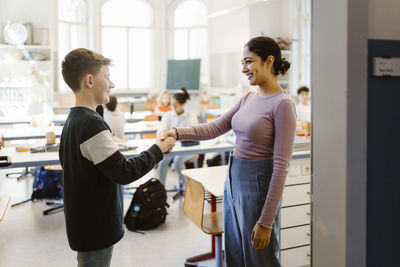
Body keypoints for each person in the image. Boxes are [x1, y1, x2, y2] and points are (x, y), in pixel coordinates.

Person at [161, 36, 297, 267]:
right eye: (242, 63)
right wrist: (176, 132)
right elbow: (215, 127)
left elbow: (281, 166)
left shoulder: (283, 104)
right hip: (233, 182)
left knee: (259, 258)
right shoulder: (247, 98)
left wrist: (266, 221)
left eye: (248, 62)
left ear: (269, 61)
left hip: (258, 186)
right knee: (234, 253)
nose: (244, 69)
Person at [59, 48, 175, 267]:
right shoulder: (90, 124)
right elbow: (124, 171)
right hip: (95, 227)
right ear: (90, 80)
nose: (112, 84)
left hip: (84, 222)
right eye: (108, 77)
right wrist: (157, 149)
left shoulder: (74, 119)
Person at [157, 88, 197, 199]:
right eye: (173, 105)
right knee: (163, 160)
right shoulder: (168, 115)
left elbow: (194, 132)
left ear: (183, 104)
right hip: (172, 147)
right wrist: (164, 135)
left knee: (178, 161)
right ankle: (161, 189)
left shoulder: (191, 115)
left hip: (187, 148)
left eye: (176, 105)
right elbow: (161, 131)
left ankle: (183, 186)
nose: (173, 108)